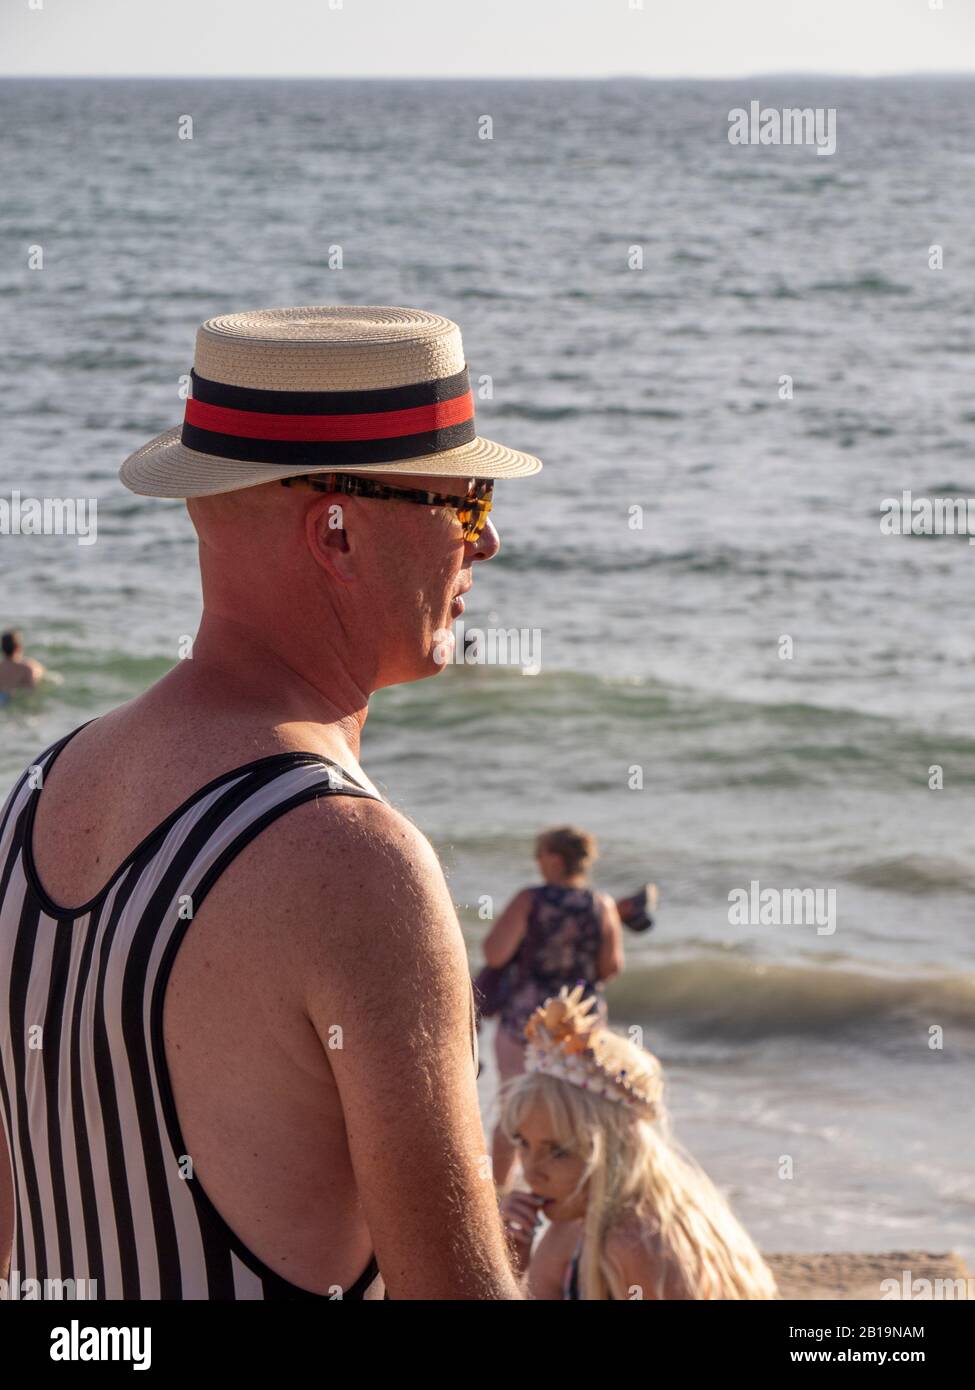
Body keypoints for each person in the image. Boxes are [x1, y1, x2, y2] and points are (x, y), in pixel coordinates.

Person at [0, 305, 542, 1300]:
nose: (490, 540)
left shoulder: (30, 802)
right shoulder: (351, 864)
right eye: (464, 502)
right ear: (335, 531)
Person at [498, 987, 779, 1300]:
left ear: (616, 1148)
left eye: (559, 1152)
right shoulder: (573, 1227)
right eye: (523, 1143)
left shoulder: (635, 1243)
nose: (532, 1171)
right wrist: (513, 1263)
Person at [482, 825, 624, 1189]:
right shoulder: (601, 904)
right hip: (581, 1022)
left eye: (540, 854)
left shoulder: (530, 900)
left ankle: (500, 1195)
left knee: (515, 1108)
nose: (536, 861)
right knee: (579, 1109)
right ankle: (574, 1196)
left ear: (556, 859)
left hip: (527, 1018)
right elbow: (611, 967)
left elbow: (495, 953)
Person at [0, 629, 46, 700]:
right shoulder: (26, 668)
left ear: (2, 648)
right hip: (14, 699)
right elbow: (31, 691)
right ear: (19, 647)